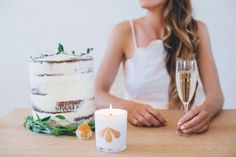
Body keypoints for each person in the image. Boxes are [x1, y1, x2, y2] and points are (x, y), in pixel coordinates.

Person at [95, 0, 224, 134]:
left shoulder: (196, 30)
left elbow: (216, 95)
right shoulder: (124, 31)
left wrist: (205, 112)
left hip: (180, 129)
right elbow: (97, 94)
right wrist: (129, 107)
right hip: (136, 132)